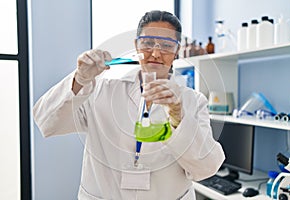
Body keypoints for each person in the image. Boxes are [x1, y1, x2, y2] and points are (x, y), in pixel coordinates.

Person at [33, 10, 225, 200]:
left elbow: (206, 168)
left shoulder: (193, 101)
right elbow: (47, 122)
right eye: (148, 43)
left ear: (176, 51)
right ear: (136, 45)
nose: (156, 53)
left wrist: (178, 117)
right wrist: (79, 80)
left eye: (166, 45)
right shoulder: (101, 91)